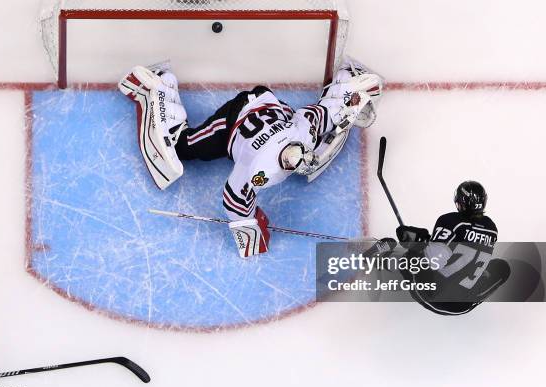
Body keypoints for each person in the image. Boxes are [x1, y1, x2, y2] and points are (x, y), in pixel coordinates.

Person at [118, 58, 383, 258]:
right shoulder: (261, 169)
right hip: (235, 118)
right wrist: (248, 227)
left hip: (271, 106)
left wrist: (344, 109)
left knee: (320, 118)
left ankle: (349, 80)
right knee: (186, 147)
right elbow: (233, 196)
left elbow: (316, 115)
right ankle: (159, 86)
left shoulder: (304, 135)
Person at [395, 181, 510, 315]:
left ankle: (381, 256)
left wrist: (417, 243)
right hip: (464, 306)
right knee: (502, 267)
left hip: (435, 298)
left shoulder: (450, 221)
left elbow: (434, 261)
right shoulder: (491, 228)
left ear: (461, 202)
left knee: (409, 258)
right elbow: (465, 241)